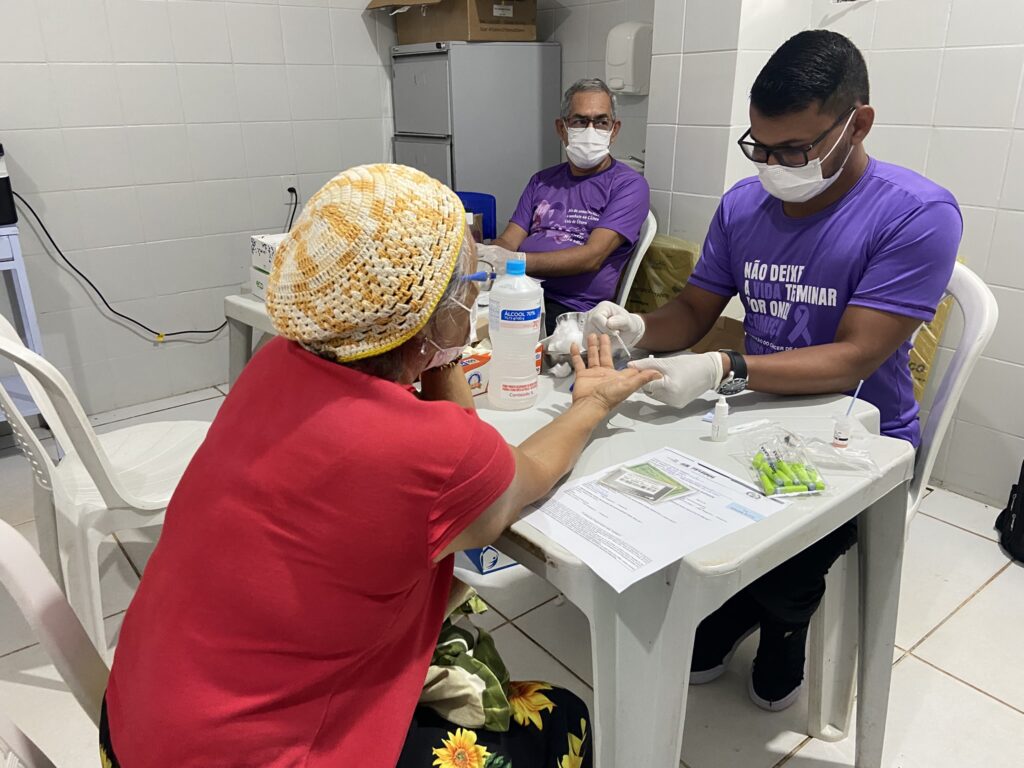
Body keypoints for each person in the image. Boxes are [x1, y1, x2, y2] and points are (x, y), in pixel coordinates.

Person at [100, 164, 658, 766]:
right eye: (469, 282)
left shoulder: (273, 362)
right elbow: (524, 474)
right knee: (563, 717)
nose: (476, 294)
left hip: (138, 722)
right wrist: (592, 403)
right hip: (248, 756)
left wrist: (434, 339)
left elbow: (454, 449)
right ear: (431, 310)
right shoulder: (428, 449)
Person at [585, 30, 961, 711]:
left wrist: (725, 366)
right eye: (759, 146)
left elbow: (854, 358)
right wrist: (634, 328)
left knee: (786, 565)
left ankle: (785, 619)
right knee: (643, 496)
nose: (773, 165)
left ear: (858, 124)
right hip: (752, 414)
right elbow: (693, 310)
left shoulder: (916, 214)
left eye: (794, 150)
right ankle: (736, 602)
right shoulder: (744, 205)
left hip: (858, 440)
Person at [480, 78, 651, 334]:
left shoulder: (628, 186)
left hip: (570, 311)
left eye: (601, 122)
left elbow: (591, 257)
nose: (591, 130)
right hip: (517, 293)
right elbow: (509, 240)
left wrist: (515, 262)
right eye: (580, 121)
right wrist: (487, 257)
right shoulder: (542, 181)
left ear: (614, 130)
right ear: (562, 128)